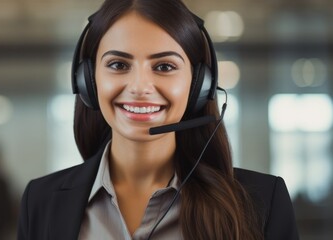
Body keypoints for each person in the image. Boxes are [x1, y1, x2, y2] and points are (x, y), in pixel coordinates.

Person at [17, 0, 299, 239]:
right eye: (118, 65)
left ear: (199, 85)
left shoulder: (262, 202)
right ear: (88, 80)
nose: (140, 87)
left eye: (164, 66)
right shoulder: (41, 201)